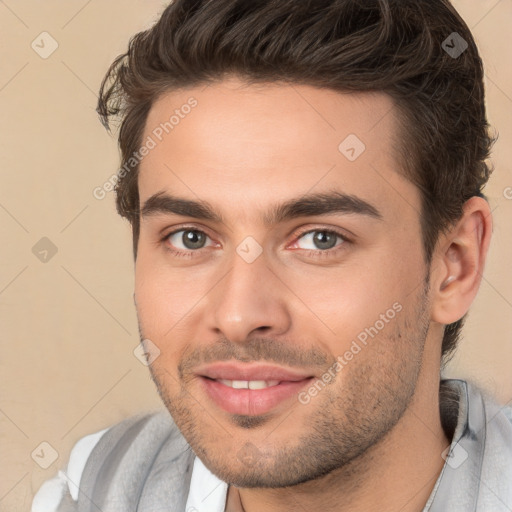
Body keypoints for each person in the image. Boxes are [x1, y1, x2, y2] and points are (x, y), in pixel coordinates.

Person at [32, 0, 512, 511]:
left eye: (320, 239)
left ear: (454, 265)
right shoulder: (93, 490)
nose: (238, 316)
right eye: (191, 237)